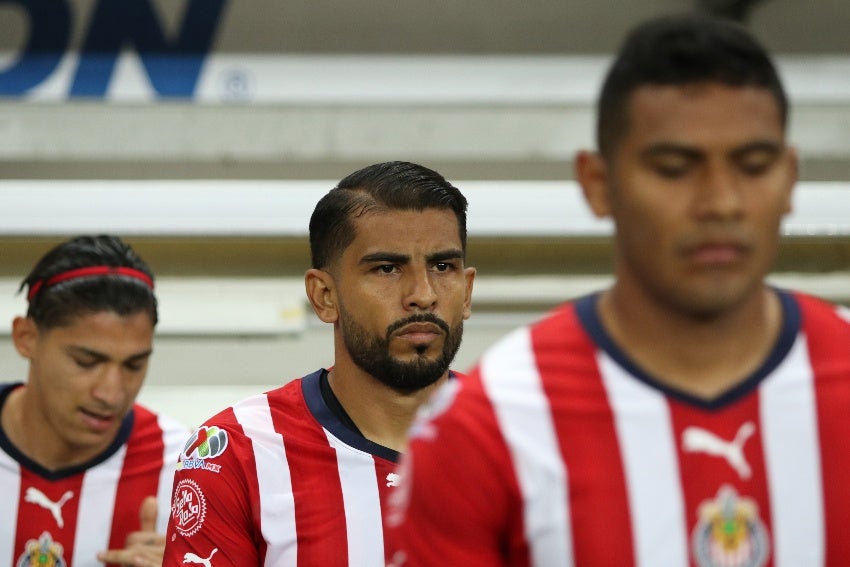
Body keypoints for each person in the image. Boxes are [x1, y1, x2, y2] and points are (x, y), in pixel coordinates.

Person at [385, 13, 850, 566]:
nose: (722, 201)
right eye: (676, 168)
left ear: (790, 178)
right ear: (598, 184)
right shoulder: (490, 424)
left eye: (753, 165)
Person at [162, 161, 476, 565]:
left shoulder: (532, 438)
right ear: (324, 295)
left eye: (442, 266)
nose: (422, 294)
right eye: (387, 268)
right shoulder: (237, 451)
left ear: (467, 292)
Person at [0, 235, 188, 567]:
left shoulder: (184, 466)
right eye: (86, 362)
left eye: (134, 365)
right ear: (26, 338)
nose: (112, 394)